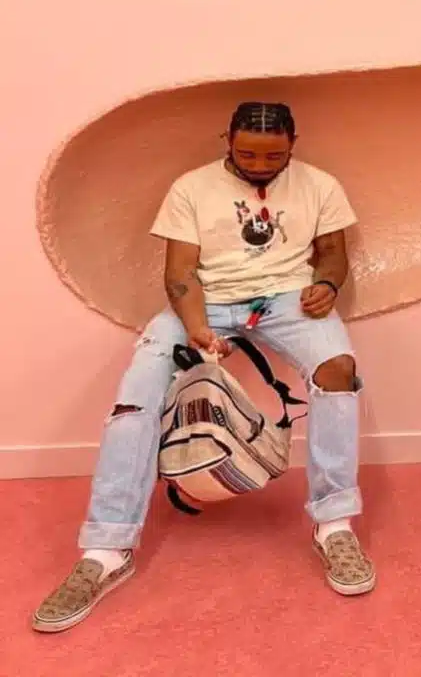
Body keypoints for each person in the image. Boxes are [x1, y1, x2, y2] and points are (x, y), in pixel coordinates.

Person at [32, 101, 374, 633]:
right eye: (247, 154)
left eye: (274, 156)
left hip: (287, 298)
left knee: (338, 370)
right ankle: (106, 550)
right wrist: (195, 326)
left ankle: (334, 525)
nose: (260, 164)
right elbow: (179, 272)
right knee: (135, 398)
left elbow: (332, 251)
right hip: (206, 300)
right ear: (227, 141)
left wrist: (328, 284)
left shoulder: (320, 185)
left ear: (293, 144)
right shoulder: (191, 188)